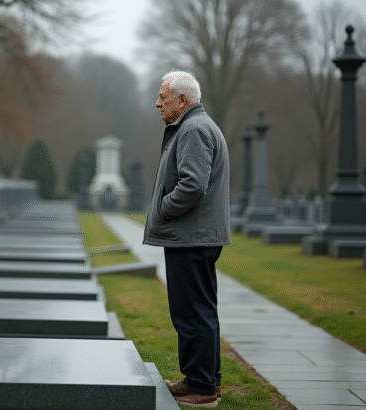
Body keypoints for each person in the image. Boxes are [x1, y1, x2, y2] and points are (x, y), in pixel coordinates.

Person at [143, 71, 231, 408]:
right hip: (194, 237)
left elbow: (193, 185)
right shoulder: (195, 126)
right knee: (198, 311)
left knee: (192, 313)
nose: (157, 103)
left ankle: (204, 389)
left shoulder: (193, 129)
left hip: (191, 238)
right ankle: (201, 380)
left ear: (183, 100)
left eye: (163, 97)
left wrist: (163, 209)